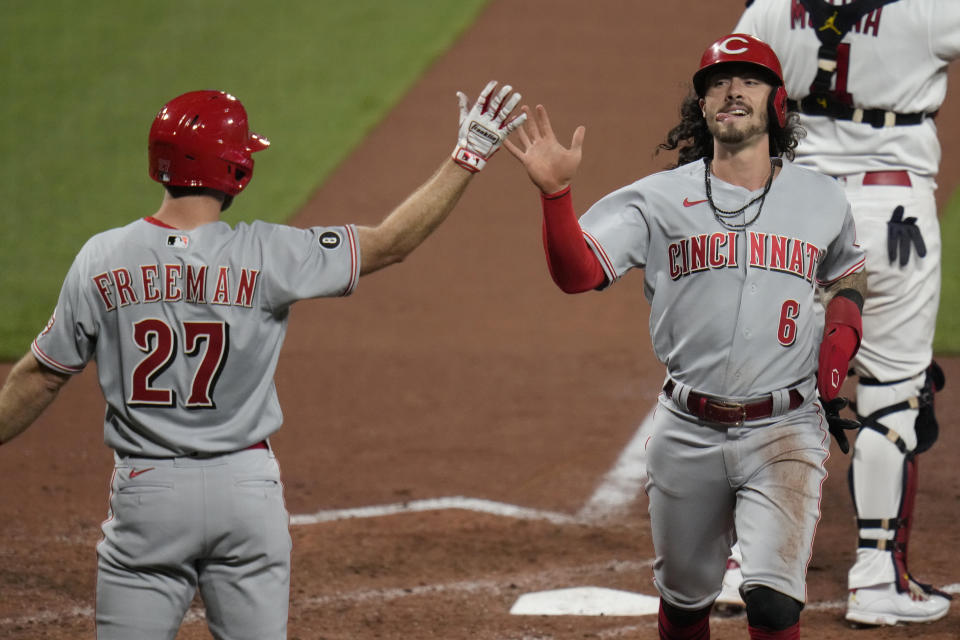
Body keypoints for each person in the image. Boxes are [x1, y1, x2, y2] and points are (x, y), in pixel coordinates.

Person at [0, 82, 525, 639]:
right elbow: (391, 243)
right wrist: (467, 157)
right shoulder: (269, 253)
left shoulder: (101, 258)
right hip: (246, 493)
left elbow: (41, 376)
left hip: (148, 490)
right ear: (235, 172)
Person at [507, 34, 866, 639]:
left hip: (785, 428)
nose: (731, 91)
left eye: (749, 80)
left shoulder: (821, 197)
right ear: (701, 107)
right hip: (687, 429)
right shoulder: (657, 199)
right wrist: (555, 196)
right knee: (685, 603)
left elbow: (848, 276)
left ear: (776, 103)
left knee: (773, 604)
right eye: (717, 83)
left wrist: (838, 347)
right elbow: (579, 274)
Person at [716, 0, 960, 626]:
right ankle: (877, 579)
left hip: (794, 208)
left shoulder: (770, 10)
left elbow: (728, 96)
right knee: (893, 393)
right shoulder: (930, 11)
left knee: (766, 381)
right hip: (894, 213)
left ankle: (743, 563)